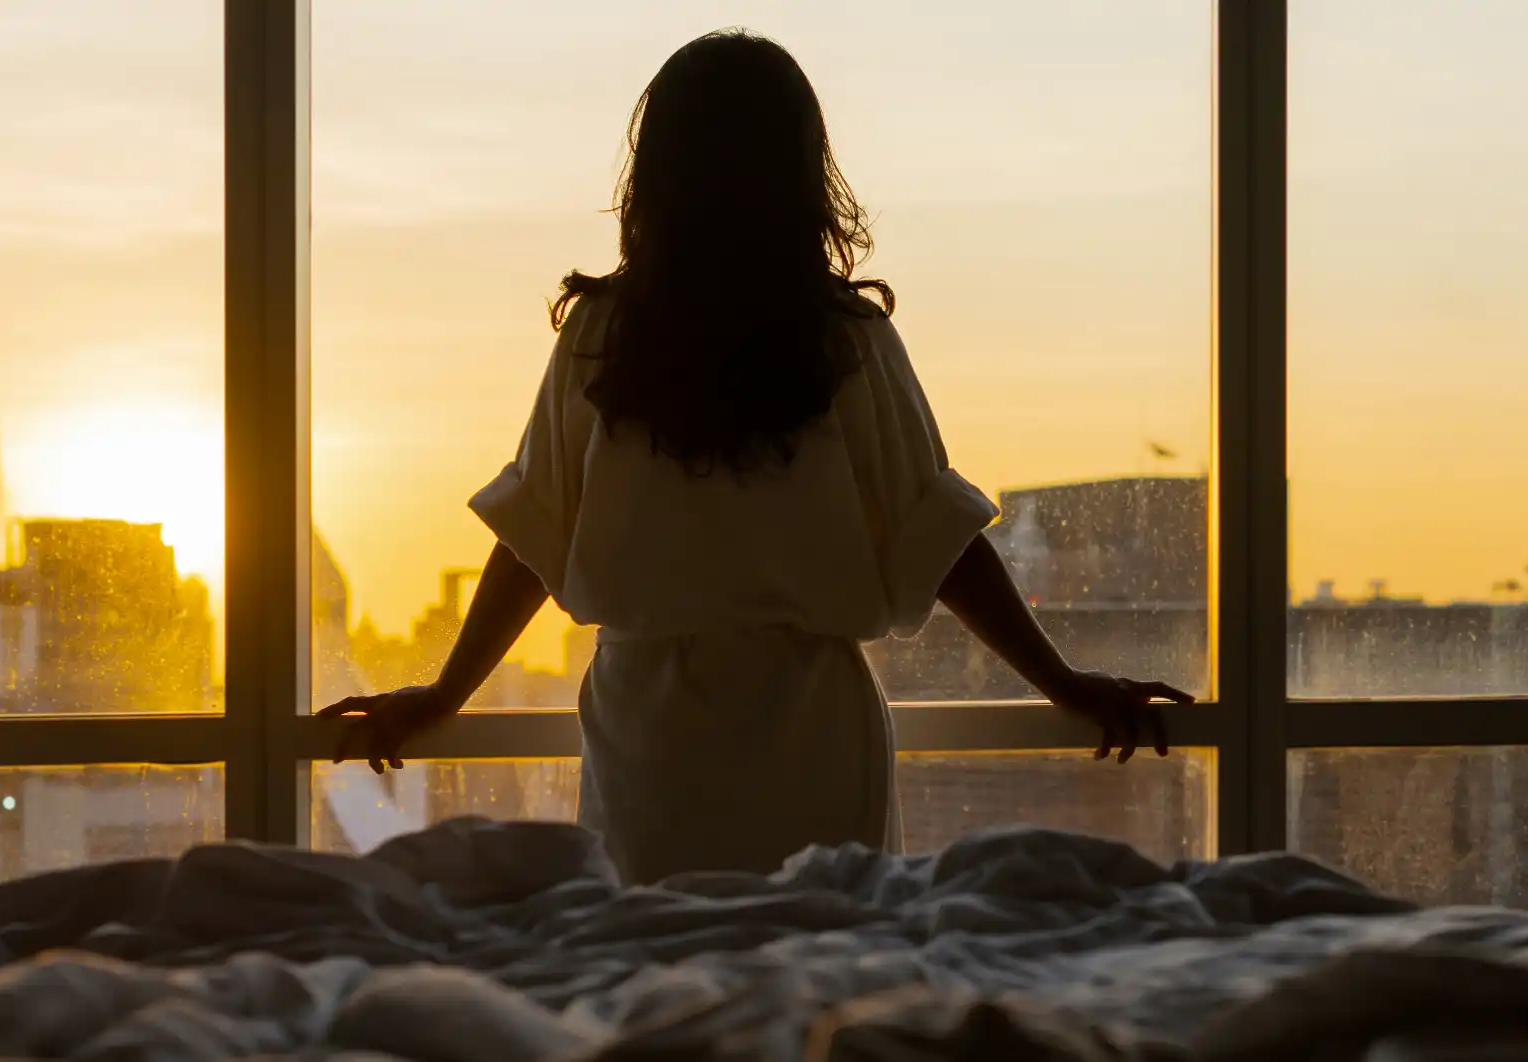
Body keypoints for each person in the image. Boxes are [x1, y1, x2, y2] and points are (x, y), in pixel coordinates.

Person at [321, 29, 1194, 885]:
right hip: (812, 727)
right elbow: (940, 538)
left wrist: (443, 695)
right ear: (801, 171)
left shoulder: (603, 335)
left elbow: (532, 536)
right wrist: (1060, 680)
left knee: (666, 980)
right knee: (817, 966)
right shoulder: (844, 337)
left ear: (655, 172)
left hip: (647, 733)